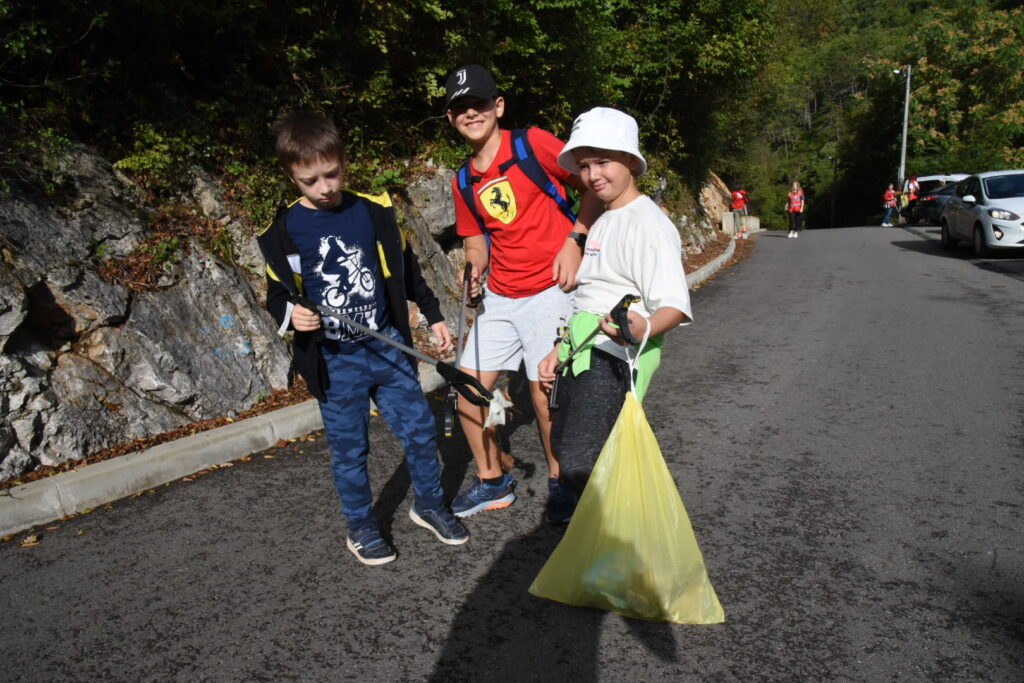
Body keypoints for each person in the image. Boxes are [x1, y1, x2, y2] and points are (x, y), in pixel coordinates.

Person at [256, 111, 468, 566]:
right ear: (291, 177)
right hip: (335, 360)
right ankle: (361, 526)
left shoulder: (372, 211)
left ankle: (429, 504)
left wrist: (432, 315)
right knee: (351, 450)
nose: (325, 187)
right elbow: (277, 293)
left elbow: (406, 269)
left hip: (387, 345)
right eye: (310, 180)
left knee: (420, 431)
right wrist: (293, 315)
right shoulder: (283, 231)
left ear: (343, 162)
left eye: (332, 174)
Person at [443, 65, 604, 523]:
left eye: (478, 103)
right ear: (451, 118)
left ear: (498, 106)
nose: (470, 112)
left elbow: (590, 186)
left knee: (544, 392)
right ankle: (493, 482)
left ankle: (562, 484)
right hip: (500, 296)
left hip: (550, 289)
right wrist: (473, 267)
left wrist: (574, 241)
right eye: (459, 107)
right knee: (466, 390)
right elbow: (476, 239)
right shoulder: (462, 180)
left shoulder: (532, 144)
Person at [538, 107, 693, 517]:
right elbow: (588, 298)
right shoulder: (603, 219)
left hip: (617, 356)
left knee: (581, 460)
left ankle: (624, 533)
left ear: (630, 160)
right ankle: (600, 542)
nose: (592, 175)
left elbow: (674, 304)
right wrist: (560, 349)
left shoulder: (649, 224)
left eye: (603, 161)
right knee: (566, 448)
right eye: (585, 166)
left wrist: (642, 328)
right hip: (583, 350)